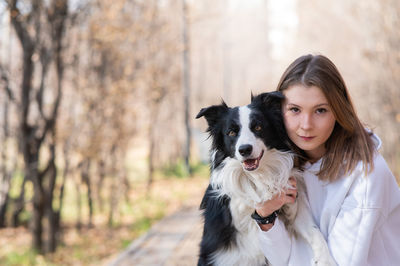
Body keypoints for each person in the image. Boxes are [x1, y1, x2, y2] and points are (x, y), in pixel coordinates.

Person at [255, 54, 400, 266]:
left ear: (338, 112)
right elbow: (282, 259)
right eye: (295, 109)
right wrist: (266, 217)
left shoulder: (366, 176)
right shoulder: (286, 168)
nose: (306, 124)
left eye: (320, 110)